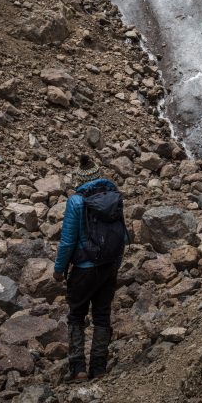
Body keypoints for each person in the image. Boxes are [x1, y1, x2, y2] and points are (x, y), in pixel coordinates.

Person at [53, 155, 129, 381]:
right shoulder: (115, 197)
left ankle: (78, 369)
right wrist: (116, 264)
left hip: (84, 268)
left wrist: (59, 269)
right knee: (102, 315)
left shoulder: (76, 201)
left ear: (78, 179)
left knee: (76, 316)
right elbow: (122, 234)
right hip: (108, 265)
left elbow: (67, 242)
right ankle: (99, 367)